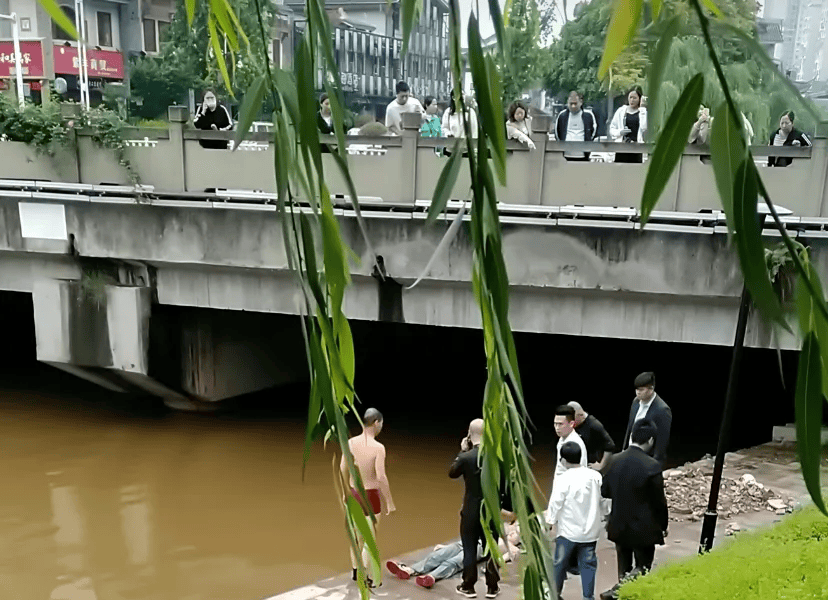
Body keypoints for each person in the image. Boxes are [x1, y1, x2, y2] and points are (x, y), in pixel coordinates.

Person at [601, 419, 668, 596]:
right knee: (643, 567)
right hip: (643, 528)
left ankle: (622, 593)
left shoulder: (614, 460)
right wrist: (663, 526)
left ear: (632, 436)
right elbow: (659, 502)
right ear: (651, 440)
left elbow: (605, 490)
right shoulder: (652, 466)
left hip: (618, 523)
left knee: (624, 567)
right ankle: (616, 593)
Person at [385, 512, 520, 589]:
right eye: (517, 527)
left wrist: (494, 564)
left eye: (518, 533)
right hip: (468, 540)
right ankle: (410, 570)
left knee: (455, 562)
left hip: (480, 548)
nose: (515, 532)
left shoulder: (509, 545)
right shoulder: (504, 526)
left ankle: (432, 577)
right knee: (438, 555)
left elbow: (508, 556)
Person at [340, 408, 396, 587]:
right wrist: (389, 502)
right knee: (369, 540)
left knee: (356, 537)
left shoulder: (350, 443)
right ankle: (368, 578)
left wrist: (344, 491)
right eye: (381, 424)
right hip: (370, 496)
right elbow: (380, 476)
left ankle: (356, 573)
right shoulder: (378, 448)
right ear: (376, 423)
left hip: (353, 492)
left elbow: (343, 468)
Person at [546, 442, 608, 600]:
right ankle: (588, 597)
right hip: (590, 532)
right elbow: (602, 500)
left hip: (568, 532)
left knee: (559, 564)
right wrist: (607, 516)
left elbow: (555, 503)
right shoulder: (595, 476)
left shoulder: (563, 478)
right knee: (588, 565)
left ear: (563, 460)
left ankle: (555, 594)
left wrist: (550, 523)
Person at [449, 418, 500, 598]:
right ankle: (493, 587)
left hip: (471, 508)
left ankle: (468, 585)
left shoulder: (466, 457)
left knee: (469, 547)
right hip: (491, 509)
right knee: (491, 547)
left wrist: (462, 450)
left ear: (469, 435)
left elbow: (452, 473)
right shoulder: (496, 456)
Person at [622, 372, 672, 468]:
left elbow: (662, 442)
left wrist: (654, 465)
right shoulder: (635, 402)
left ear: (651, 389)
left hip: (646, 459)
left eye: (641, 389)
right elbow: (630, 428)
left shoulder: (662, 409)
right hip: (630, 453)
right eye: (636, 389)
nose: (638, 392)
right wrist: (624, 449)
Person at [568, 401, 615, 471]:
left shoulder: (594, 425)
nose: (571, 422)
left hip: (589, 467)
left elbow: (610, 446)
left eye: (573, 419)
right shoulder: (573, 424)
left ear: (580, 415)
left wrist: (601, 465)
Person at [555, 91, 597, 161]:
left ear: (581, 102)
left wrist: (587, 144)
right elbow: (557, 132)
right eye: (571, 103)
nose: (573, 106)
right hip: (566, 154)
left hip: (583, 155)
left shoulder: (588, 115)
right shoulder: (562, 115)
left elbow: (593, 132)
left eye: (575, 103)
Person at [609, 86, 647, 163]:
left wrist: (642, 110)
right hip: (622, 146)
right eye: (630, 97)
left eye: (635, 98)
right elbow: (612, 128)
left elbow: (644, 128)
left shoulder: (643, 112)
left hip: (636, 147)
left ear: (640, 98)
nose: (632, 100)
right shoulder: (621, 111)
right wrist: (620, 132)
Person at [554, 404, 587, 482]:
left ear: (571, 424)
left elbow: (579, 474)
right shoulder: (562, 438)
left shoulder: (576, 444)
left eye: (560, 424)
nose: (557, 428)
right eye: (555, 424)